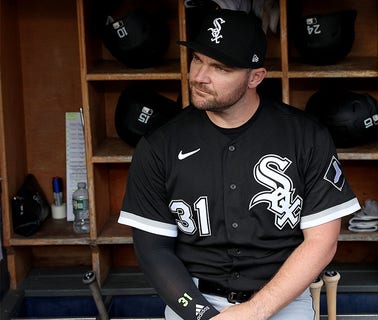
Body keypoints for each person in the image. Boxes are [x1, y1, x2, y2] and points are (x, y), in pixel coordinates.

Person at [117, 8, 361, 320]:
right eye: (197, 59)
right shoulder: (159, 145)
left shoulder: (306, 136)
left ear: (255, 77)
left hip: (280, 297)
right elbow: (153, 251)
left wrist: (255, 311)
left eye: (220, 67)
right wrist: (203, 316)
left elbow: (322, 244)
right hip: (192, 298)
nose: (199, 76)